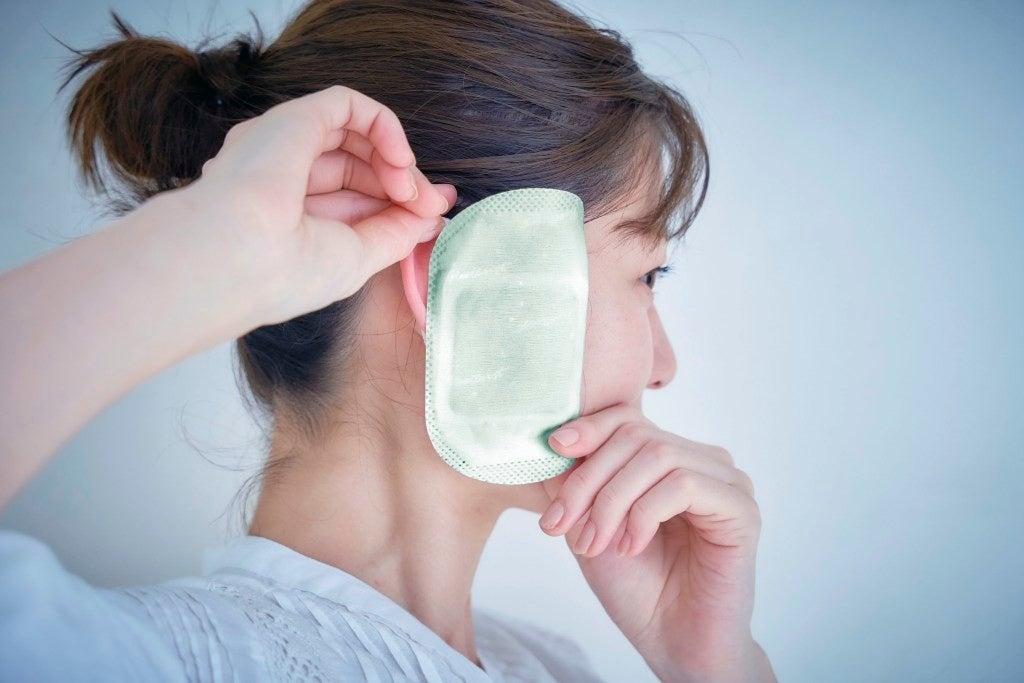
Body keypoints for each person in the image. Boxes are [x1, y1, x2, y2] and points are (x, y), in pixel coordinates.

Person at [0, 0, 777, 680]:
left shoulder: (555, 666)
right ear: (475, 279)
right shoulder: (157, 662)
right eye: (645, 276)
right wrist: (208, 243)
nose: (665, 366)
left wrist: (717, 669)